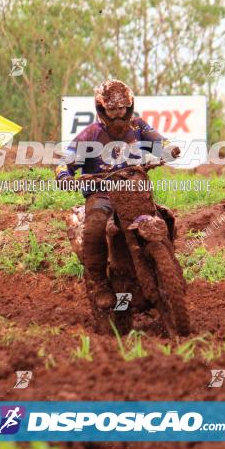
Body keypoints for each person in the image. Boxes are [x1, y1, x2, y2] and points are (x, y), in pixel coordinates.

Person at [55, 80, 179, 320]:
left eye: (122, 108)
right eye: (112, 109)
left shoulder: (138, 126)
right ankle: (100, 282)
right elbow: (65, 160)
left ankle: (168, 268)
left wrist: (169, 149)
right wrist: (64, 175)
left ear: (130, 105)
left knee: (166, 217)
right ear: (102, 109)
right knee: (95, 227)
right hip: (101, 193)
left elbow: (160, 142)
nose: (118, 114)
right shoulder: (90, 134)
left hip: (135, 190)